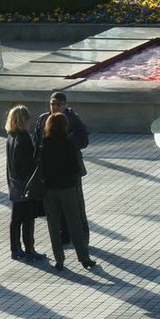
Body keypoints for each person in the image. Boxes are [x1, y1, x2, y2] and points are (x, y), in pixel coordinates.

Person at [39, 113, 96, 272]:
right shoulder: (69, 143)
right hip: (68, 189)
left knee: (53, 224)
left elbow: (40, 167)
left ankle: (59, 259)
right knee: (74, 222)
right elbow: (74, 167)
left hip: (49, 190)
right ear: (64, 126)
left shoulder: (44, 143)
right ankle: (84, 258)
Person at [34, 92, 90, 245]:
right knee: (55, 207)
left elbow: (84, 140)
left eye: (59, 104)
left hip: (70, 171)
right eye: (53, 104)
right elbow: (37, 142)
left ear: (65, 105)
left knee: (76, 206)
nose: (55, 107)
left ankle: (83, 238)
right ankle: (64, 237)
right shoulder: (43, 119)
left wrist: (68, 143)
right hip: (50, 172)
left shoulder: (72, 119)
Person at [5, 105, 47, 262]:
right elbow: (29, 163)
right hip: (25, 184)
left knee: (16, 219)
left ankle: (15, 249)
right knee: (28, 218)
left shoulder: (11, 136)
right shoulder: (24, 138)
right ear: (24, 120)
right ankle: (29, 249)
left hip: (15, 183)